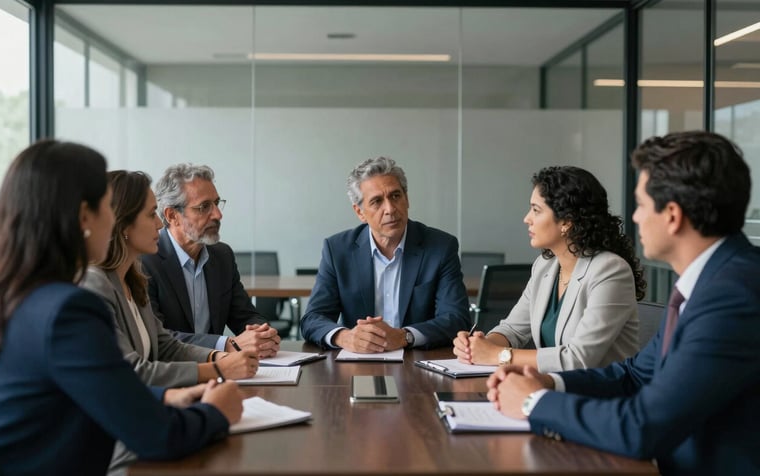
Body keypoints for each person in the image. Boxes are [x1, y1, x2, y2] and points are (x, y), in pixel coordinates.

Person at [487, 131, 760, 475]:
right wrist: (550, 383)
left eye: (642, 205)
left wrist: (532, 402)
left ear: (672, 216)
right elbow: (634, 375)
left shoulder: (734, 295)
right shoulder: (709, 282)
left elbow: (642, 427)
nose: (634, 217)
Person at [0, 140, 243, 476]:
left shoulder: (20, 294)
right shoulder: (68, 309)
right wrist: (217, 412)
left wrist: (163, 399)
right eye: (107, 206)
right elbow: (156, 437)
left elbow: (87, 391)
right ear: (85, 216)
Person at [453, 166, 644, 372]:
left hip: (602, 397)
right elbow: (512, 330)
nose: (527, 218)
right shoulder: (545, 266)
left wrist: (496, 355)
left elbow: (578, 359)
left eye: (536, 210)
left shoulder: (610, 271)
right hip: (554, 389)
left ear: (566, 222)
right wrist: (480, 346)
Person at [81, 170, 260, 387]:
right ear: (123, 224)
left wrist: (217, 356)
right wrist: (218, 369)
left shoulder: (133, 278)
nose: (159, 223)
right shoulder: (94, 284)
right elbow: (131, 370)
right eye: (151, 214)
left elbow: (166, 346)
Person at [300, 156, 470, 352]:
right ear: (360, 212)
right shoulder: (338, 249)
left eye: (396, 196)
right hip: (358, 363)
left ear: (407, 199)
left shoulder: (440, 247)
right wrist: (344, 337)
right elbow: (312, 319)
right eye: (377, 201)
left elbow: (457, 319)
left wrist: (404, 336)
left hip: (418, 361)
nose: (390, 209)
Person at [141, 164, 280, 358]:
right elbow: (157, 337)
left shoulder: (221, 255)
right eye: (204, 207)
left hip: (222, 371)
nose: (217, 215)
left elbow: (244, 314)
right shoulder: (145, 260)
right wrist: (226, 344)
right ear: (173, 216)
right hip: (173, 376)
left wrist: (262, 334)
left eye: (216, 203)